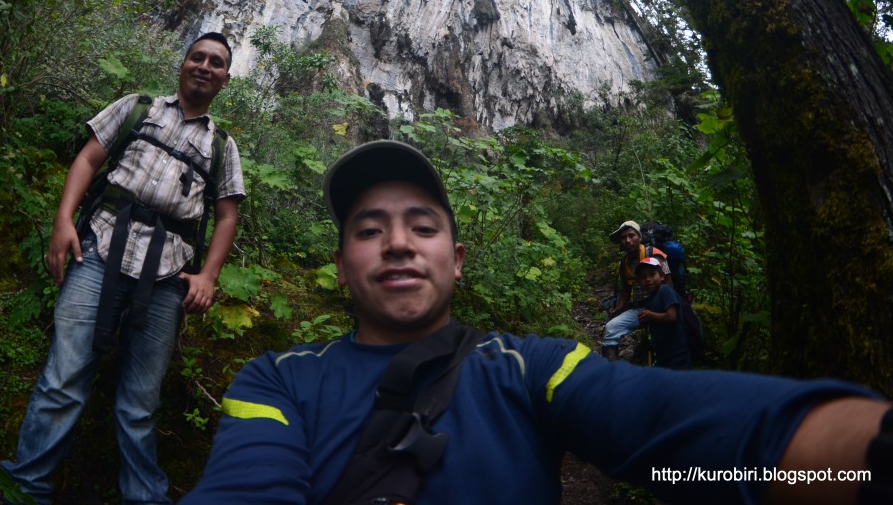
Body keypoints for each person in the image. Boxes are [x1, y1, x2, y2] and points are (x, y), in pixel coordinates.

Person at [181, 140, 890, 504]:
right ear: (341, 265)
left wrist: (865, 457)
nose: (397, 242)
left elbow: (681, 432)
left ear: (456, 260)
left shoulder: (526, 368)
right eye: (370, 229)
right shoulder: (277, 380)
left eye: (421, 226)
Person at [1, 32, 246, 504]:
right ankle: (27, 488)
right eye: (197, 56)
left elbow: (227, 214)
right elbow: (89, 159)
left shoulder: (223, 147)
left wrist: (209, 275)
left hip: (168, 275)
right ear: (183, 63)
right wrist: (62, 222)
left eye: (216, 62)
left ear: (225, 80)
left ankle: (143, 497)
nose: (204, 66)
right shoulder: (138, 107)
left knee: (139, 402)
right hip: (99, 252)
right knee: (64, 377)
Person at [602, 219, 671, 361]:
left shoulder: (653, 253)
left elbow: (669, 282)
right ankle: (611, 368)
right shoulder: (624, 263)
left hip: (663, 307)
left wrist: (666, 308)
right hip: (640, 309)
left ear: (639, 237)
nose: (627, 240)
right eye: (623, 237)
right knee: (611, 328)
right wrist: (619, 309)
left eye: (631, 235)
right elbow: (626, 289)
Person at [635, 256, 690, 369]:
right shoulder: (652, 298)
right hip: (664, 356)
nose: (648, 279)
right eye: (643, 277)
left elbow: (671, 316)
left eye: (652, 274)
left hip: (678, 356)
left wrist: (650, 315)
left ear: (662, 276)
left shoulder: (665, 291)